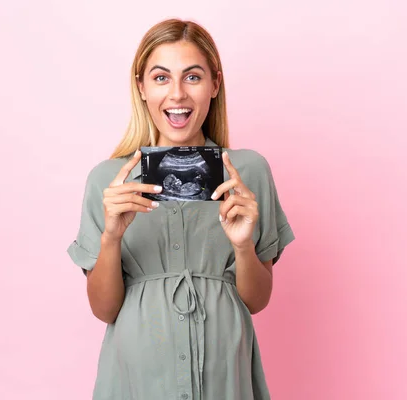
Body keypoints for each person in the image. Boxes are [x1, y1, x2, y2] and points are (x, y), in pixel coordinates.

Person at [68, 18, 295, 400]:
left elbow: (256, 301)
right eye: (160, 78)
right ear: (141, 87)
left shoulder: (247, 172)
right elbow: (104, 309)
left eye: (192, 77)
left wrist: (242, 246)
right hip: (136, 379)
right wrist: (111, 237)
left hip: (224, 377)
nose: (177, 94)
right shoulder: (108, 181)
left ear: (215, 85)